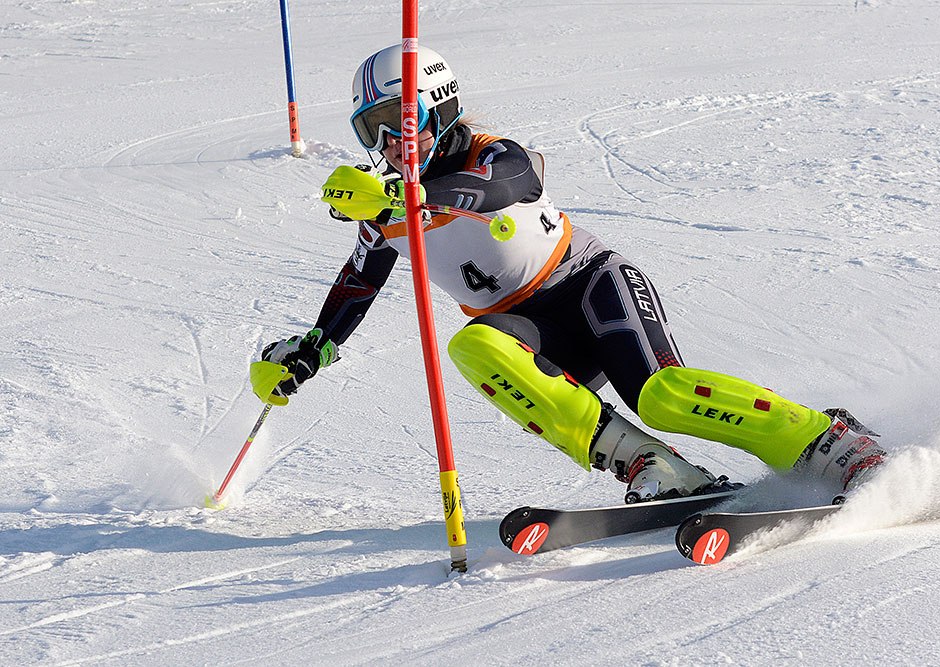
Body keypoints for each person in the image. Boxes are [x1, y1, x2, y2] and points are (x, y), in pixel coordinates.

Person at [258, 44, 886, 503]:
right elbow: (359, 283)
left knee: (661, 396)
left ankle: (826, 442)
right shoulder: (391, 206)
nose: (391, 142)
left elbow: (507, 184)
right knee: (472, 343)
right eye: (375, 130)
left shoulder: (490, 154)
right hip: (530, 331)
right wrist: (313, 349)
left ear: (436, 107)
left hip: (590, 285)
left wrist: (413, 199)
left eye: (399, 121)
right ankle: (649, 467)